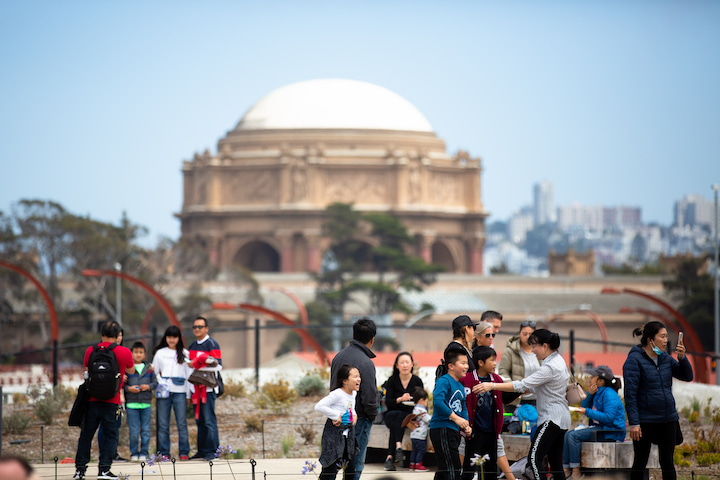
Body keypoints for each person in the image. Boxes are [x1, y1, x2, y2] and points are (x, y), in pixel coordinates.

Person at [477, 329, 570, 480]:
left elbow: (522, 384)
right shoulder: (557, 361)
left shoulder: (550, 367)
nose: (533, 351)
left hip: (552, 419)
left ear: (545, 346)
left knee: (533, 459)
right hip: (561, 419)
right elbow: (533, 387)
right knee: (555, 463)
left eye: (535, 346)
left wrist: (492, 386)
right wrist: (518, 391)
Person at [623, 321, 692, 480]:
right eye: (662, 336)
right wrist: (634, 423)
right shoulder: (634, 360)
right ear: (650, 339)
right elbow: (630, 395)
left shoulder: (665, 358)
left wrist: (682, 358)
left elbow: (687, 376)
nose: (666, 340)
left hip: (668, 419)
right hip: (645, 420)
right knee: (640, 461)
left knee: (667, 461)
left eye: (666, 336)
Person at [74, 321, 135, 480]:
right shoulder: (124, 352)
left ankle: (80, 470)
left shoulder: (90, 350)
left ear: (101, 335)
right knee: (110, 435)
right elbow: (131, 370)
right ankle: (104, 470)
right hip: (112, 400)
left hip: (92, 400)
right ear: (117, 336)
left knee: (86, 435)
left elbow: (87, 369)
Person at [461, 346, 521, 480]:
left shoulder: (497, 380)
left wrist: (521, 389)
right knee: (469, 468)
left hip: (492, 432)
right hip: (474, 432)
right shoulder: (467, 380)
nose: (495, 363)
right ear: (481, 363)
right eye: (492, 360)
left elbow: (504, 399)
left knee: (490, 469)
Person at [330, 318, 379, 479]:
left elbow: (333, 388)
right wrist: (372, 415)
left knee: (332, 464)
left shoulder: (338, 357)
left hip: (337, 418)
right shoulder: (366, 363)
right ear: (372, 339)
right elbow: (370, 396)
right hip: (359, 420)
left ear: (353, 334)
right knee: (355, 466)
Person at [563, 365, 625, 479]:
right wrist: (589, 394)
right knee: (568, 434)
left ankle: (576, 472)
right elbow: (584, 406)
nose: (590, 379)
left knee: (573, 436)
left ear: (600, 381)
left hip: (610, 431)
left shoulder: (609, 394)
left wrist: (586, 411)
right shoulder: (597, 392)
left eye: (593, 377)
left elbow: (608, 418)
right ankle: (566, 470)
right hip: (599, 428)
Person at [429, 345, 473, 480]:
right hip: (442, 428)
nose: (466, 366)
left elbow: (463, 407)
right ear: (451, 366)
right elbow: (437, 402)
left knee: (446, 470)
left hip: (452, 430)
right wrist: (455, 418)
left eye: (467, 363)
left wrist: (466, 425)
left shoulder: (460, 385)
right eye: (463, 363)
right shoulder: (444, 381)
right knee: (452, 469)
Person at [152, 325, 192, 460]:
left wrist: (188, 395)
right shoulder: (160, 353)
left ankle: (184, 452)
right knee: (163, 424)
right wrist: (161, 382)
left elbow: (188, 375)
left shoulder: (185, 354)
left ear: (179, 338)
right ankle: (164, 453)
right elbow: (155, 371)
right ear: (166, 338)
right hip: (164, 391)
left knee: (182, 423)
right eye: (169, 337)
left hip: (180, 391)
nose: (172, 340)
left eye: (174, 337)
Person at [315, 364, 361, 480]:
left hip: (348, 437)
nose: (359, 379)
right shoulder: (337, 394)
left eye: (359, 376)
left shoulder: (353, 393)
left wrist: (354, 415)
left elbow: (351, 407)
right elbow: (319, 406)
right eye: (355, 376)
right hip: (334, 436)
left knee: (350, 470)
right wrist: (336, 416)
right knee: (329, 469)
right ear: (345, 381)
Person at [188, 315, 223, 461]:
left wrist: (198, 365)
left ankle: (213, 451)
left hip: (208, 389)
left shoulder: (212, 344)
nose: (197, 329)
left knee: (209, 420)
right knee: (200, 420)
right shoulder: (192, 346)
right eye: (195, 327)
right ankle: (202, 450)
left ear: (206, 328)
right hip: (195, 389)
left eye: (200, 327)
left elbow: (218, 366)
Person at [382, 352, 424, 471]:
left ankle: (390, 457)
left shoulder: (417, 381)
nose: (405, 365)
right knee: (398, 417)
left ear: (412, 365)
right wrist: (400, 399)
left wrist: (411, 399)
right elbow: (388, 402)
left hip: (410, 415)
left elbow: (421, 401)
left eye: (407, 362)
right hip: (392, 413)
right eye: (402, 362)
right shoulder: (392, 380)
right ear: (397, 365)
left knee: (399, 419)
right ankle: (398, 448)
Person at [124, 341, 157, 462]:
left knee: (145, 430)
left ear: (144, 354)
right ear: (131, 353)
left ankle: (144, 452)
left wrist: (148, 387)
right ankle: (134, 453)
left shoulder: (149, 368)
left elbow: (155, 383)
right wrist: (129, 389)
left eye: (141, 352)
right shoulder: (128, 368)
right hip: (131, 404)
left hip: (146, 403)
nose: (138, 354)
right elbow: (123, 385)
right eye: (136, 352)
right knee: (133, 431)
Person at [98, 327, 127, 463]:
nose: (119, 338)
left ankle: (112, 452)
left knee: (115, 425)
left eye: (121, 335)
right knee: (106, 426)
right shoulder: (103, 352)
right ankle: (105, 454)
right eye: (117, 335)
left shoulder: (123, 352)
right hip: (107, 393)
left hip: (119, 394)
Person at [498, 320, 539, 407]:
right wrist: (515, 389)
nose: (528, 337)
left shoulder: (540, 351)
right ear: (519, 333)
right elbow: (503, 372)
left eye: (531, 334)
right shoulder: (510, 351)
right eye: (525, 334)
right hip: (516, 400)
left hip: (538, 399)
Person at [409, 387, 431, 472]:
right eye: (426, 401)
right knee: (421, 450)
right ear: (421, 400)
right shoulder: (421, 410)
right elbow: (428, 420)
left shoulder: (414, 409)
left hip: (414, 434)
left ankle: (412, 464)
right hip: (420, 435)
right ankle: (418, 465)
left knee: (414, 450)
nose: (426, 404)